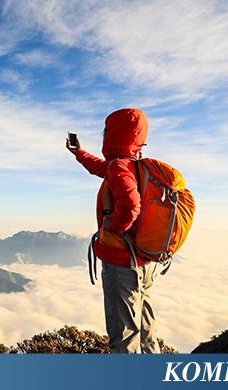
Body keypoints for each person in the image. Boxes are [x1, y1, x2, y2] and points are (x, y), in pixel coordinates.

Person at [66, 108, 160, 354]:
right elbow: (102, 168)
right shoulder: (137, 166)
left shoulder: (119, 167)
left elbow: (131, 205)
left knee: (124, 337)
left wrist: (112, 229)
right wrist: (79, 154)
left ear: (114, 133)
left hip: (122, 263)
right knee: (145, 327)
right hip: (143, 260)